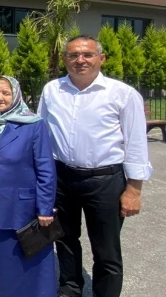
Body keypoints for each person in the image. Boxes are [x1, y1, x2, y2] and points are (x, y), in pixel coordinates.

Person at [37, 35, 152, 297]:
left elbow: (136, 144)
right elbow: (41, 131)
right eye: (73, 55)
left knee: (106, 250)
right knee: (65, 239)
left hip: (105, 181)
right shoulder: (52, 90)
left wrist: (134, 190)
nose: (80, 60)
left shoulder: (122, 94)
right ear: (65, 59)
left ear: (101, 58)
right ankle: (70, 288)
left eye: (87, 54)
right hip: (61, 177)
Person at [0, 75, 57, 297]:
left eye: (5, 93)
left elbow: (46, 169)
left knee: (17, 254)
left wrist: (45, 208)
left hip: (18, 205)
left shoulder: (34, 124)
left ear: (16, 95)